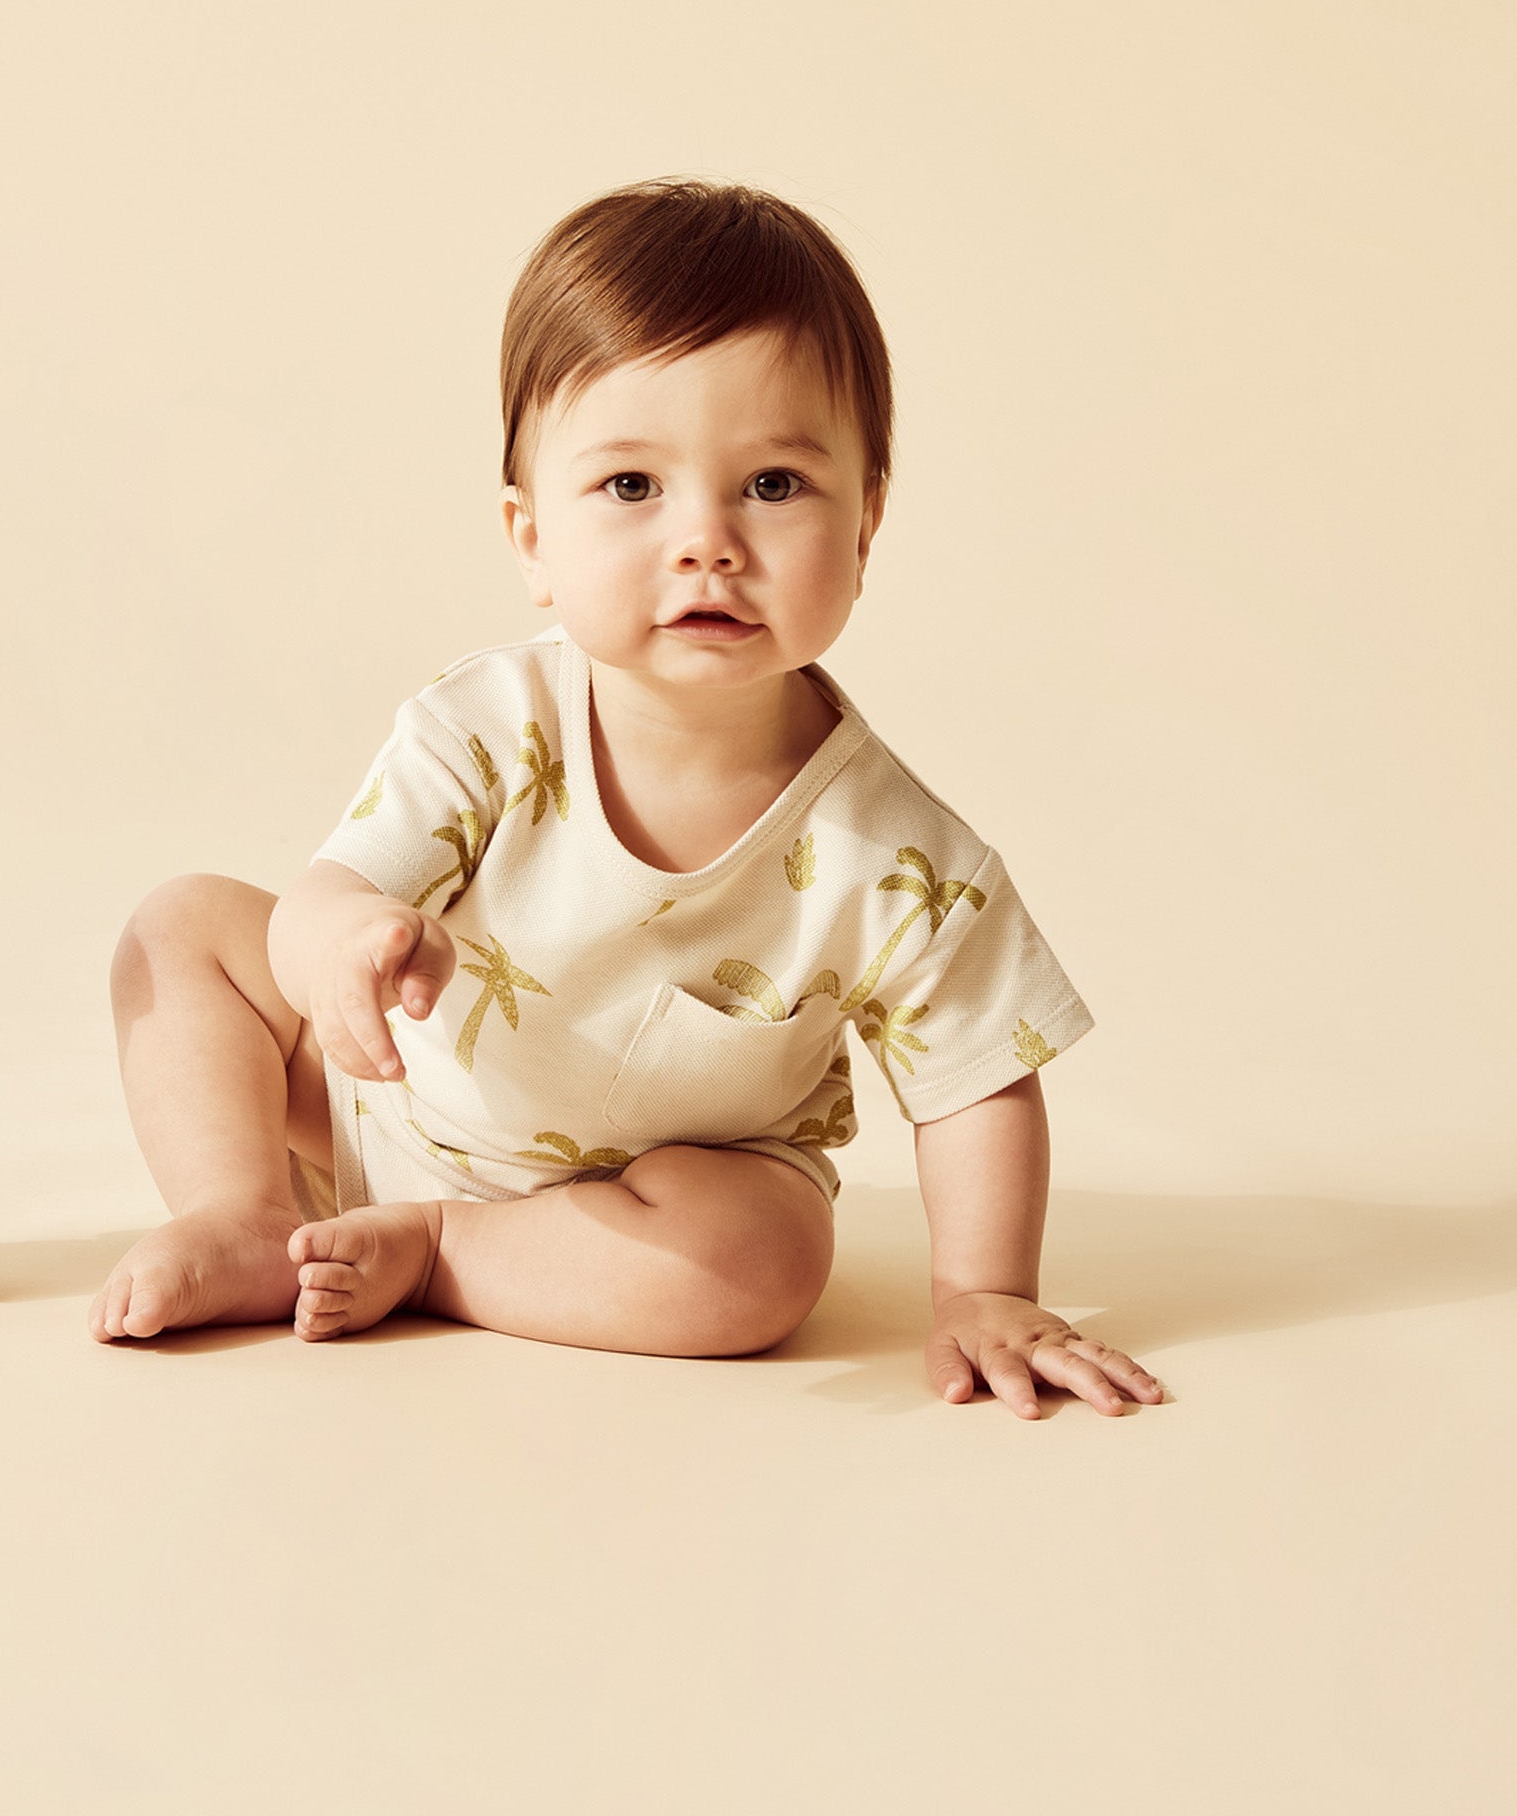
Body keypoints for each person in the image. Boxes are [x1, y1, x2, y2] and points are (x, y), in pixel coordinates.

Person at [90, 177, 1164, 1419]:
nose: (706, 540)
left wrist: (982, 1288)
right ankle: (240, 1210)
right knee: (182, 929)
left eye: (772, 484)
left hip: (642, 1220)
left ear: (866, 522)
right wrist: (342, 944)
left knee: (765, 1258)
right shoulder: (486, 727)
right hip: (381, 1109)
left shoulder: (897, 856)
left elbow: (974, 1078)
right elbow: (329, 893)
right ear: (530, 537)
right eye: (631, 487)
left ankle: (437, 1251)